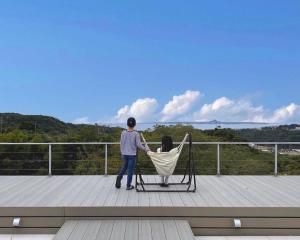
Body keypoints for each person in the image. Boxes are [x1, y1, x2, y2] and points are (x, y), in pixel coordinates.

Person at [115, 117, 149, 190]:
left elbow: (121, 144)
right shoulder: (136, 133)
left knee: (124, 167)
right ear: (134, 124)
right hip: (132, 154)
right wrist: (146, 149)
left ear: (127, 124)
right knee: (130, 170)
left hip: (124, 153)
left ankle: (119, 177)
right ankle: (128, 185)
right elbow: (139, 145)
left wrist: (122, 152)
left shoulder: (123, 132)